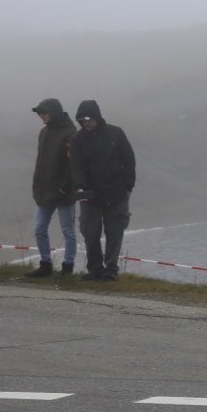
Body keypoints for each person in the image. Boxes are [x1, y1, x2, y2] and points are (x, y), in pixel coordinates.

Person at [69, 100, 136, 282]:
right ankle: (95, 269)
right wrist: (79, 186)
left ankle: (111, 270)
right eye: (82, 120)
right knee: (90, 232)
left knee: (115, 232)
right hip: (90, 195)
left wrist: (128, 186)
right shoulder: (77, 140)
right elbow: (76, 166)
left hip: (117, 193)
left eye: (89, 119)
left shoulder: (116, 133)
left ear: (97, 117)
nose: (86, 123)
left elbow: (129, 159)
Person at [25, 99, 79, 278]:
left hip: (64, 193)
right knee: (39, 228)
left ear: (54, 112)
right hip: (44, 191)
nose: (41, 116)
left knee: (68, 231)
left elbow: (73, 164)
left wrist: (63, 187)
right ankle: (45, 265)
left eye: (44, 112)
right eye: (39, 113)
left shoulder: (70, 133)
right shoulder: (43, 132)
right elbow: (40, 163)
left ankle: (68, 267)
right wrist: (37, 184)